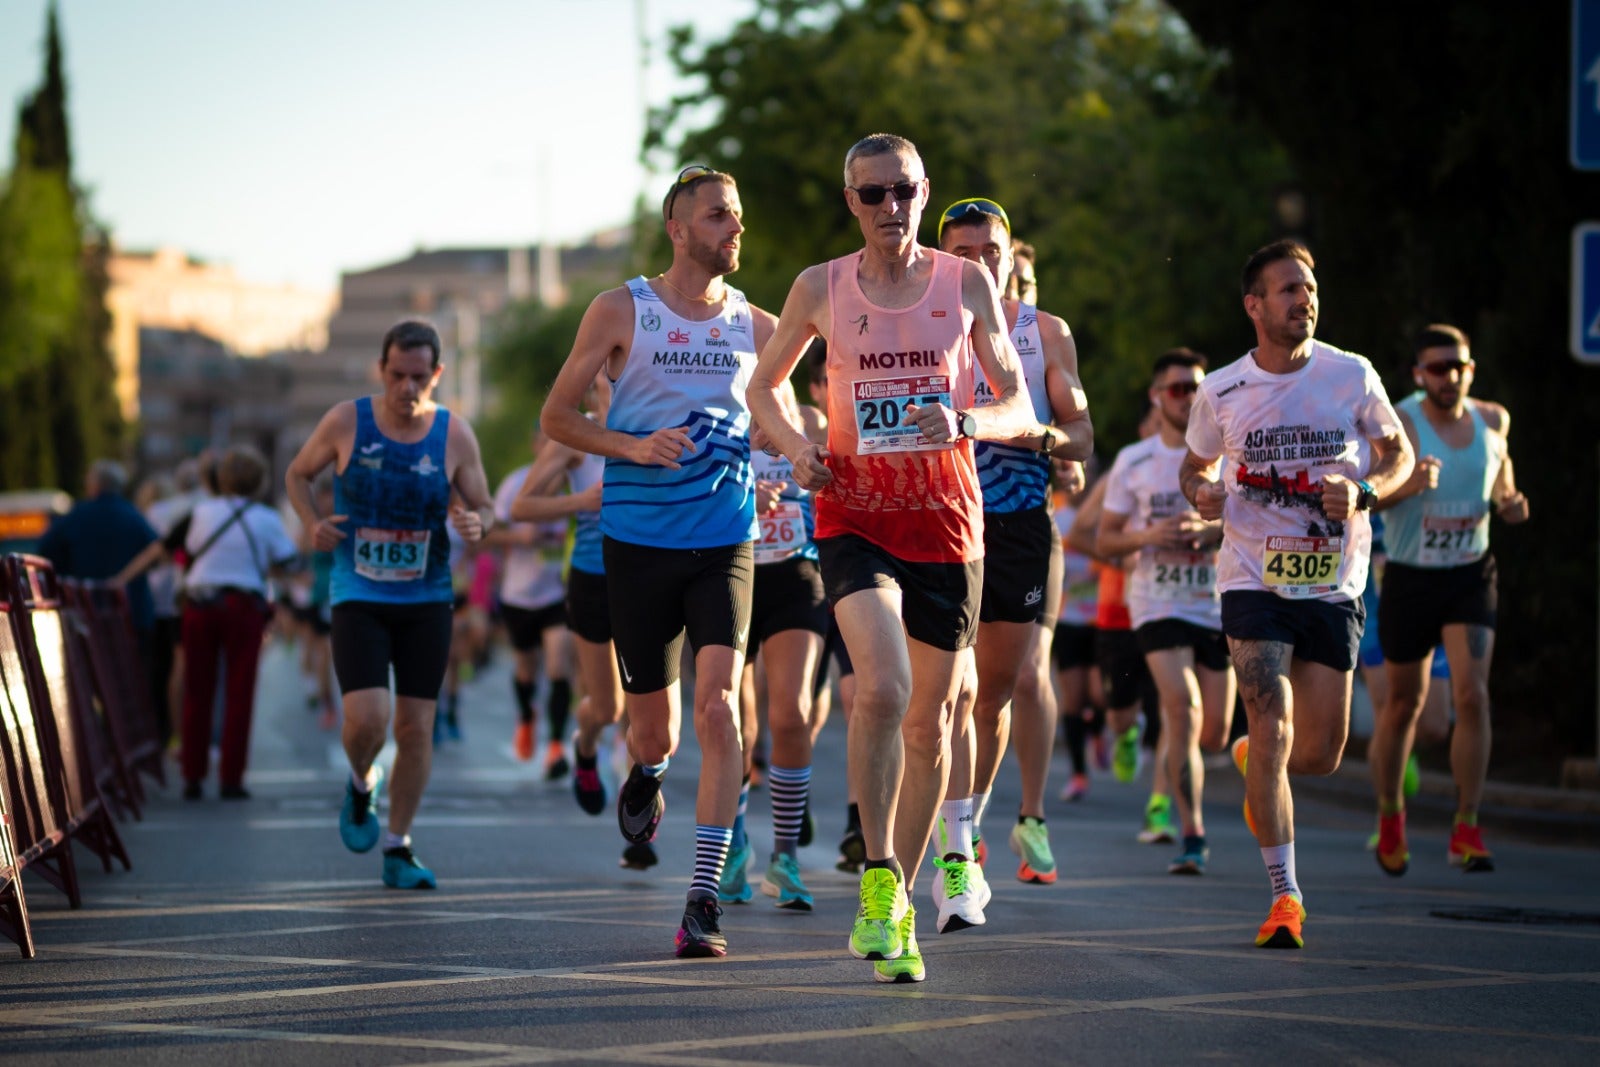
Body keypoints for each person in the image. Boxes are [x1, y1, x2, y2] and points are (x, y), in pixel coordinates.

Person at [748, 133, 1087, 983]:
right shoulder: (817, 287)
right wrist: (796, 445)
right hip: (854, 512)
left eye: (903, 190)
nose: (890, 207)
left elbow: (1014, 398)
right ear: (850, 200)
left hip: (947, 522)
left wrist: (967, 422)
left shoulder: (964, 281)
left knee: (934, 721)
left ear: (921, 190)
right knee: (886, 688)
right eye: (872, 194)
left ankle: (902, 894)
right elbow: (764, 385)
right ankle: (878, 883)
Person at [539, 164, 776, 958]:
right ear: (678, 229)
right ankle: (646, 773)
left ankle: (703, 896)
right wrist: (632, 446)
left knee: (720, 707)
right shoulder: (620, 310)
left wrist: (795, 463)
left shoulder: (761, 326)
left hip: (725, 539)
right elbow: (557, 416)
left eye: (737, 216)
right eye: (717, 216)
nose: (733, 228)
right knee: (655, 731)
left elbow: (789, 420)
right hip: (636, 545)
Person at [1179, 239, 1413, 949]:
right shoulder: (1221, 389)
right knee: (1271, 719)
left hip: (1334, 580)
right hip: (1252, 576)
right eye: (1287, 290)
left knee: (1318, 751)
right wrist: (1205, 492)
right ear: (1255, 305)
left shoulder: (1352, 374)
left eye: (1309, 289)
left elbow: (1398, 455)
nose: (1303, 300)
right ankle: (1285, 895)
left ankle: (1257, 759)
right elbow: (1193, 468)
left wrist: (1367, 490)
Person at [285, 319, 495, 891]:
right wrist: (311, 524)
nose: (407, 388)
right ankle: (360, 781)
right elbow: (298, 474)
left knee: (417, 727)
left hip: (427, 597)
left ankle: (398, 845)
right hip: (360, 593)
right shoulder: (345, 421)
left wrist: (479, 521)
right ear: (381, 369)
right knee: (369, 719)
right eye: (398, 375)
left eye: (419, 377)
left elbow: (487, 503)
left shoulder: (454, 434)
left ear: (437, 375)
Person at [936, 200, 1093, 900]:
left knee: (996, 693)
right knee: (944, 692)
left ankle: (980, 816)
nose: (977, 262)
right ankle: (955, 837)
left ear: (1009, 256)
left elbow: (1081, 435)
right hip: (938, 522)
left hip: (1019, 526)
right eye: (962, 251)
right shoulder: (916, 318)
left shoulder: (1044, 331)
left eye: (989, 250)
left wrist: (1038, 437)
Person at [1369, 323, 1527, 875]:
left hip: (1469, 573)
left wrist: (1510, 504)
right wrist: (1410, 486)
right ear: (1419, 374)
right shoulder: (1402, 421)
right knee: (1403, 706)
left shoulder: (1493, 419)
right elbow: (1371, 495)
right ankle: (1391, 813)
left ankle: (1467, 825)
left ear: (1471, 370)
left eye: (1458, 367)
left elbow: (1502, 481)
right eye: (1437, 368)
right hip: (1412, 577)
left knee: (1473, 695)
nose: (1449, 377)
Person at [1096, 349, 1236, 875]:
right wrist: (1147, 535)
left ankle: (1191, 783)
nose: (1188, 396)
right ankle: (1193, 833)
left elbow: (1254, 519)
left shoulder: (1227, 451)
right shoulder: (1135, 460)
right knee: (1182, 708)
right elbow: (1106, 539)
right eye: (1177, 389)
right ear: (1158, 397)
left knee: (1215, 735)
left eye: (1196, 387)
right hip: (1156, 604)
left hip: (1214, 601)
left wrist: (1213, 531)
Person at [489, 435, 574, 775]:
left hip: (558, 594)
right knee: (526, 669)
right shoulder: (515, 485)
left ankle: (555, 746)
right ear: (536, 447)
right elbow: (486, 535)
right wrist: (518, 538)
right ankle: (526, 716)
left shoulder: (575, 486)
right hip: (518, 597)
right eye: (548, 445)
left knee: (558, 667)